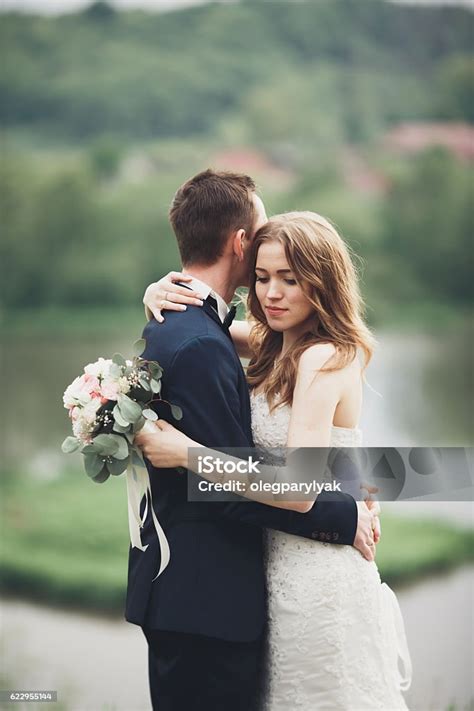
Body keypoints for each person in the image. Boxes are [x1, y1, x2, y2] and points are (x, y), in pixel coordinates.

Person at [138, 210, 411, 709]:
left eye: (290, 279)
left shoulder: (323, 356)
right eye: (262, 278)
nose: (270, 294)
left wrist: (187, 453)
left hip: (318, 579)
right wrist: (159, 292)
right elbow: (206, 325)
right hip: (273, 572)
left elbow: (299, 489)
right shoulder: (276, 344)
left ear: (322, 281)